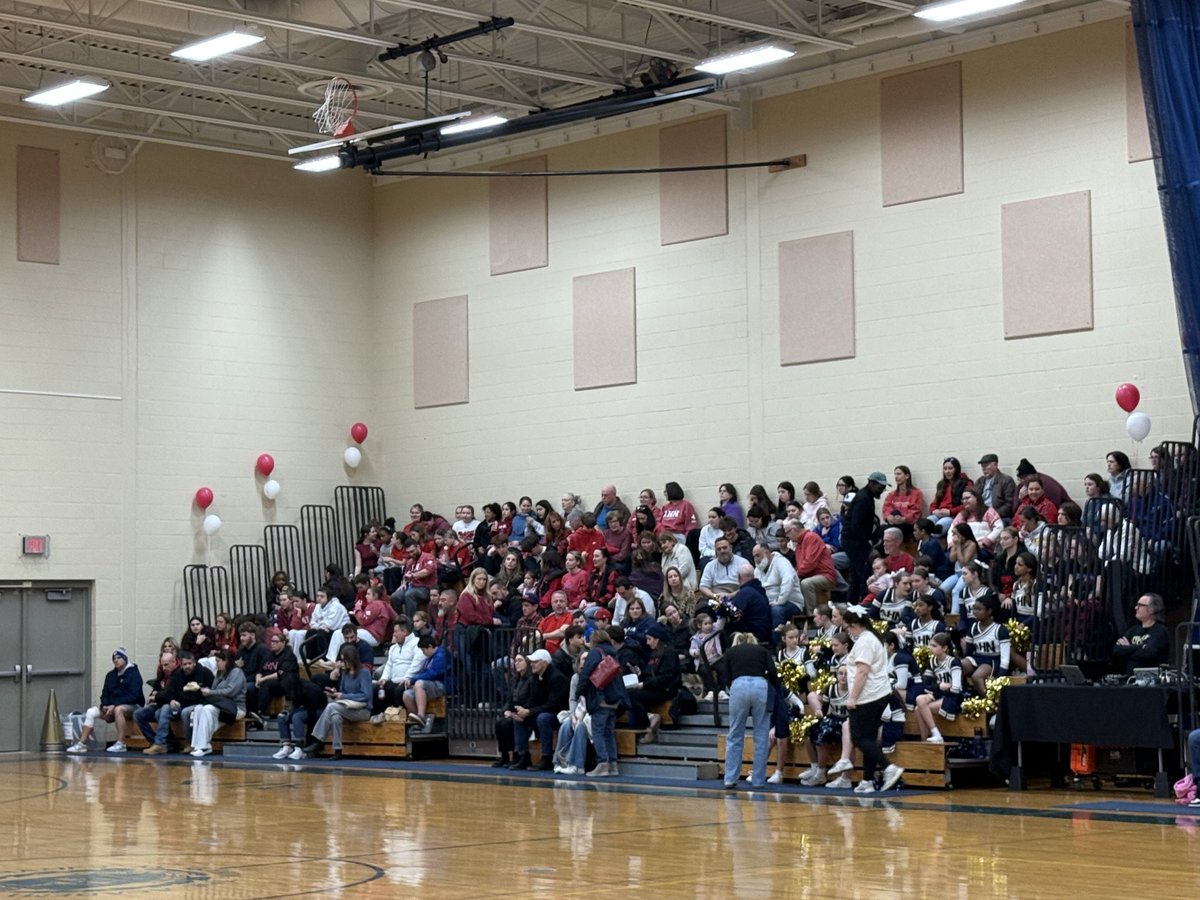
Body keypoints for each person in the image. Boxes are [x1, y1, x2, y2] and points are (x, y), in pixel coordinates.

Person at [838, 606, 904, 793]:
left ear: (855, 625)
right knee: (868, 738)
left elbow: (862, 672)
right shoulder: (872, 638)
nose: (848, 632)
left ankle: (889, 768)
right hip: (878, 694)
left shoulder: (865, 641)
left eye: (848, 627)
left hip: (868, 696)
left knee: (859, 738)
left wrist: (852, 698)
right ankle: (867, 780)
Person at [720, 632, 778, 789]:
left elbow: (725, 676)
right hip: (760, 685)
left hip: (738, 684)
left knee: (735, 734)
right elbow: (773, 672)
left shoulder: (731, 652)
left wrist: (734, 686)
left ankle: (730, 778)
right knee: (761, 735)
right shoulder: (762, 651)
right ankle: (758, 780)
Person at [302, 644, 372, 760]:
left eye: (345, 660)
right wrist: (335, 693)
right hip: (347, 707)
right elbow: (343, 691)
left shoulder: (364, 673)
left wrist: (343, 695)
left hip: (362, 710)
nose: (342, 663)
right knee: (335, 716)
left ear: (351, 659)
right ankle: (338, 750)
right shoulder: (344, 673)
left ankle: (318, 740)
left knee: (330, 707)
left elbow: (366, 696)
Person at [68, 647, 143, 753]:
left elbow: (134, 696)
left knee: (119, 709)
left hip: (133, 706)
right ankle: (81, 744)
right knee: (91, 712)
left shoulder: (134, 674)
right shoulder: (110, 676)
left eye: (118, 658)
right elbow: (105, 694)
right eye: (114, 659)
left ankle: (121, 743)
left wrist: (115, 705)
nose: (116, 660)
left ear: (125, 659)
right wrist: (104, 706)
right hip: (112, 707)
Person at [135, 650, 211, 754]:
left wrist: (158, 696)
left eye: (189, 663)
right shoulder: (176, 675)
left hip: (198, 703)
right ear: (181, 665)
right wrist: (171, 700)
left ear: (194, 663)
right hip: (180, 704)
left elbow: (212, 689)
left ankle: (186, 743)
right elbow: (169, 693)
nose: (187, 666)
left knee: (174, 711)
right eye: (185, 664)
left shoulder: (204, 672)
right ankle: (160, 743)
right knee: (160, 710)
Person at [578, 627, 631, 777]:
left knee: (598, 732)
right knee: (608, 732)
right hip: (614, 699)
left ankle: (602, 763)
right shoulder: (614, 653)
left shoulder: (596, 652)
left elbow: (586, 672)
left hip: (600, 696)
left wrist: (579, 692)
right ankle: (612, 765)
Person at [187, 649, 246, 757]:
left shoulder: (237, 672)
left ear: (226, 661)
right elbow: (213, 692)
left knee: (207, 709)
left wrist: (210, 692)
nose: (216, 664)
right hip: (221, 706)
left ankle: (204, 746)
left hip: (236, 708)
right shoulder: (219, 673)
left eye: (218, 661)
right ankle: (197, 745)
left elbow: (230, 691)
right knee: (199, 708)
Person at [842, 472, 888, 602]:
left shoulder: (865, 496)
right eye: (880, 487)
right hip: (853, 541)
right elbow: (855, 524)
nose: (882, 490)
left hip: (853, 539)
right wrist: (866, 544)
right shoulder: (863, 498)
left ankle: (852, 602)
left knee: (856, 574)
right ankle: (863, 601)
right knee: (863, 572)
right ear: (871, 483)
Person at [712, 563, 772, 643]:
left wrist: (720, 605)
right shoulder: (759, 590)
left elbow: (733, 614)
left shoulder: (745, 592)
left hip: (751, 634)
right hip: (763, 631)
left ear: (739, 577)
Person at [1112, 593, 1170, 675]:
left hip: (1151, 680)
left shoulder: (1160, 631)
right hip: (1129, 678)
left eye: (1140, 605)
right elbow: (1117, 650)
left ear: (1152, 610)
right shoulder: (1133, 629)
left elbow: (1149, 653)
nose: (1136, 608)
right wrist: (1140, 647)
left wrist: (1127, 649)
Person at [403, 635, 448, 734]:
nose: (423, 653)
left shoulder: (441, 655)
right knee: (407, 695)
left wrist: (414, 679)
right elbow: (424, 673)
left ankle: (421, 716)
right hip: (431, 684)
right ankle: (417, 722)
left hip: (442, 684)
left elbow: (433, 674)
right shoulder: (429, 658)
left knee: (419, 684)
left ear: (430, 647)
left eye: (424, 650)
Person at [929, 457, 972, 536]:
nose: (947, 471)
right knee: (925, 525)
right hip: (939, 514)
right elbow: (934, 503)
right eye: (945, 469)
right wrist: (933, 511)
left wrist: (950, 512)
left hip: (953, 515)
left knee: (937, 530)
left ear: (956, 469)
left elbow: (967, 505)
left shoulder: (965, 483)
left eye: (950, 468)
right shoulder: (941, 484)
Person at [882, 465, 925, 535]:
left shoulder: (916, 493)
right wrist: (888, 517)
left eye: (899, 474)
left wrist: (903, 519)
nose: (896, 477)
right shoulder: (891, 494)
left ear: (907, 476)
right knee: (882, 529)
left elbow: (916, 512)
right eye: (895, 474)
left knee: (890, 530)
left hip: (907, 525)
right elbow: (886, 508)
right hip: (893, 523)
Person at [976, 454, 1017, 521]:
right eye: (982, 466)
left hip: (1000, 517)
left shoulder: (1006, 480)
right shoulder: (979, 481)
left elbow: (1009, 504)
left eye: (986, 465)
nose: (983, 468)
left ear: (995, 465)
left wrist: (993, 514)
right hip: (981, 516)